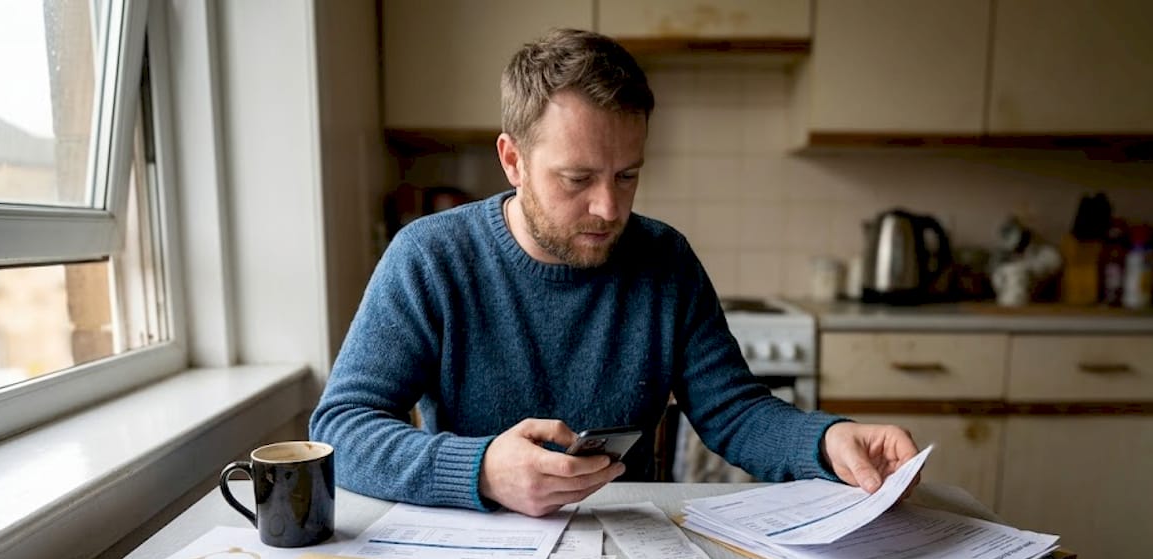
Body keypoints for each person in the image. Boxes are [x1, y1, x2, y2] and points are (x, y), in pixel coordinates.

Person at [310, 28, 919, 517]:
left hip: (630, 541)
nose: (608, 208)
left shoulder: (666, 259)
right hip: (474, 545)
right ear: (513, 160)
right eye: (577, 179)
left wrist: (826, 441)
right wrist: (482, 471)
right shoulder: (429, 257)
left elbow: (734, 411)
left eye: (627, 175)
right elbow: (342, 429)